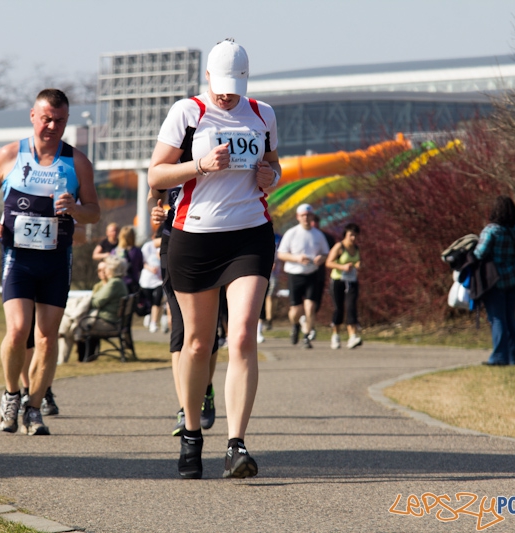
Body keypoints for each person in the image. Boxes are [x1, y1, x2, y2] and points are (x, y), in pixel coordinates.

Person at [148, 39, 280, 479]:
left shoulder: (262, 114)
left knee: (241, 337)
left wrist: (271, 175)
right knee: (198, 344)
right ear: (207, 77)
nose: (226, 95)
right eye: (220, 86)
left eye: (234, 87)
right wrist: (200, 165)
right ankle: (191, 433)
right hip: (196, 237)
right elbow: (156, 174)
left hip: (250, 235)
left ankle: (236, 445)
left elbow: (274, 166)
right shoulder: (187, 113)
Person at [0, 88, 100, 436]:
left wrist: (76, 209)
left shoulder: (77, 162)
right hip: (18, 257)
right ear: (33, 116)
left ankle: (34, 409)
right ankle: (11, 395)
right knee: (18, 331)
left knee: (47, 338)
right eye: (46, 118)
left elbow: (94, 212)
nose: (51, 126)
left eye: (59, 120)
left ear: (66, 121)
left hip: (56, 260)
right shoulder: (10, 154)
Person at [149, 190, 220, 439]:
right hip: (175, 244)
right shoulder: (170, 166)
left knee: (208, 331)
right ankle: (184, 409)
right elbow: (154, 193)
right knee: (180, 329)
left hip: (216, 245)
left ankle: (206, 388)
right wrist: (155, 209)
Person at [473, 196, 515, 366]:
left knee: (497, 318)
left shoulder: (491, 231)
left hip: (494, 279)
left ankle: (499, 357)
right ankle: (512, 356)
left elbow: (479, 253)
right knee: (510, 317)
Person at [277, 204, 330, 349]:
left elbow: (326, 253)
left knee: (310, 306)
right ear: (298, 217)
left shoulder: (318, 235)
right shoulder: (291, 233)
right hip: (295, 274)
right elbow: (281, 254)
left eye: (308, 215)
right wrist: (297, 258)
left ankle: (307, 336)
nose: (306, 218)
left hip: (312, 274)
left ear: (312, 216)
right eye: (303, 215)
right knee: (296, 310)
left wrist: (321, 258)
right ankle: (295, 325)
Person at [75, 255, 129, 362]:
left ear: (113, 269)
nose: (105, 270)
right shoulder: (118, 282)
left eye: (107, 267)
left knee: (77, 323)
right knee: (77, 321)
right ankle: (86, 356)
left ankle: (84, 357)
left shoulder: (114, 283)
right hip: (113, 320)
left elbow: (97, 302)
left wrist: (88, 300)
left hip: (109, 322)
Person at [326, 223, 363, 349]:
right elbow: (328, 263)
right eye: (351, 235)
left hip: (352, 281)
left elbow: (358, 261)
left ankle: (352, 336)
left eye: (355, 235)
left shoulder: (356, 248)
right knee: (339, 309)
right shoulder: (339, 247)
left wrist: (358, 265)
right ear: (345, 235)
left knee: (351, 307)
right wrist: (342, 267)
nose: (353, 238)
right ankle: (335, 335)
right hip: (338, 281)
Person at [139, 230, 163, 333]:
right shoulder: (147, 246)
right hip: (147, 279)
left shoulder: (163, 247)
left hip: (159, 280)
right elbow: (142, 261)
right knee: (149, 300)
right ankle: (149, 313)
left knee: (157, 300)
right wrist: (150, 268)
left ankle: (154, 322)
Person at [110, 225, 143, 294]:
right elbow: (140, 267)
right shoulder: (136, 251)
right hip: (132, 283)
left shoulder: (114, 251)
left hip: (117, 283)